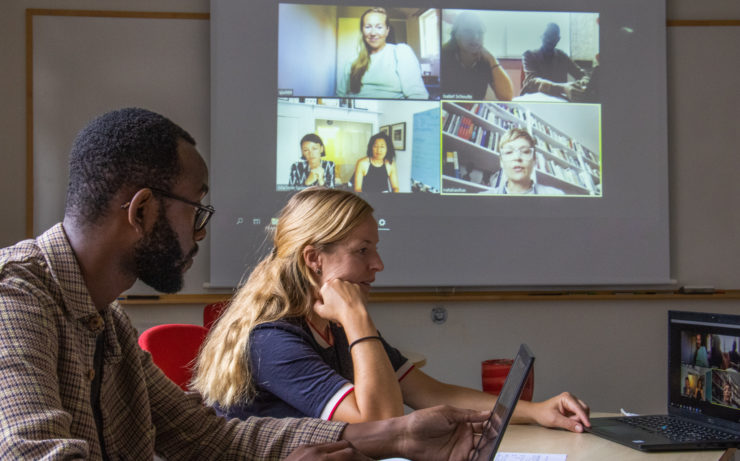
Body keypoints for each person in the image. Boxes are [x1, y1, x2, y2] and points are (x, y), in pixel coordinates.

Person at [0, 107, 490, 460]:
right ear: (143, 211)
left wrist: (396, 438)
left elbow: (210, 440)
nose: (202, 232)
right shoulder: (14, 300)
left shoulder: (108, 321)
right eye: (197, 210)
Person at [192, 187, 591, 434]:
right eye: (362, 251)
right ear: (314, 258)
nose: (378, 264)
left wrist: (537, 412)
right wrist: (357, 319)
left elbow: (429, 393)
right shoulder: (273, 339)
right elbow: (380, 423)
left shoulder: (335, 323)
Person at [336, 7, 429, 99]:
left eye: (379, 27)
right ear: (362, 31)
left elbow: (417, 94)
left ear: (387, 31)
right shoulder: (352, 61)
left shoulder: (400, 52)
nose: (373, 33)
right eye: (368, 27)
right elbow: (340, 95)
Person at [440, 11, 513, 101]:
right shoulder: (443, 57)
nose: (475, 37)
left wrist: (492, 59)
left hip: (472, 111)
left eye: (480, 32)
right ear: (456, 35)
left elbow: (507, 97)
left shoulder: (485, 60)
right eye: (468, 31)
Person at [488, 128, 565, 195]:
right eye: (509, 152)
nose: (517, 157)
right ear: (501, 161)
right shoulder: (483, 200)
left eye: (525, 151)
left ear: (534, 160)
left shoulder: (557, 196)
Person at [521, 23, 587, 101]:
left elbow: (582, 74)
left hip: (559, 101)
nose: (549, 39)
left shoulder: (562, 56)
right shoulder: (529, 55)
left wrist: (581, 84)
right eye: (547, 35)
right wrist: (563, 88)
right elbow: (532, 82)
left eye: (553, 36)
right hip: (535, 100)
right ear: (541, 36)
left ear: (558, 39)